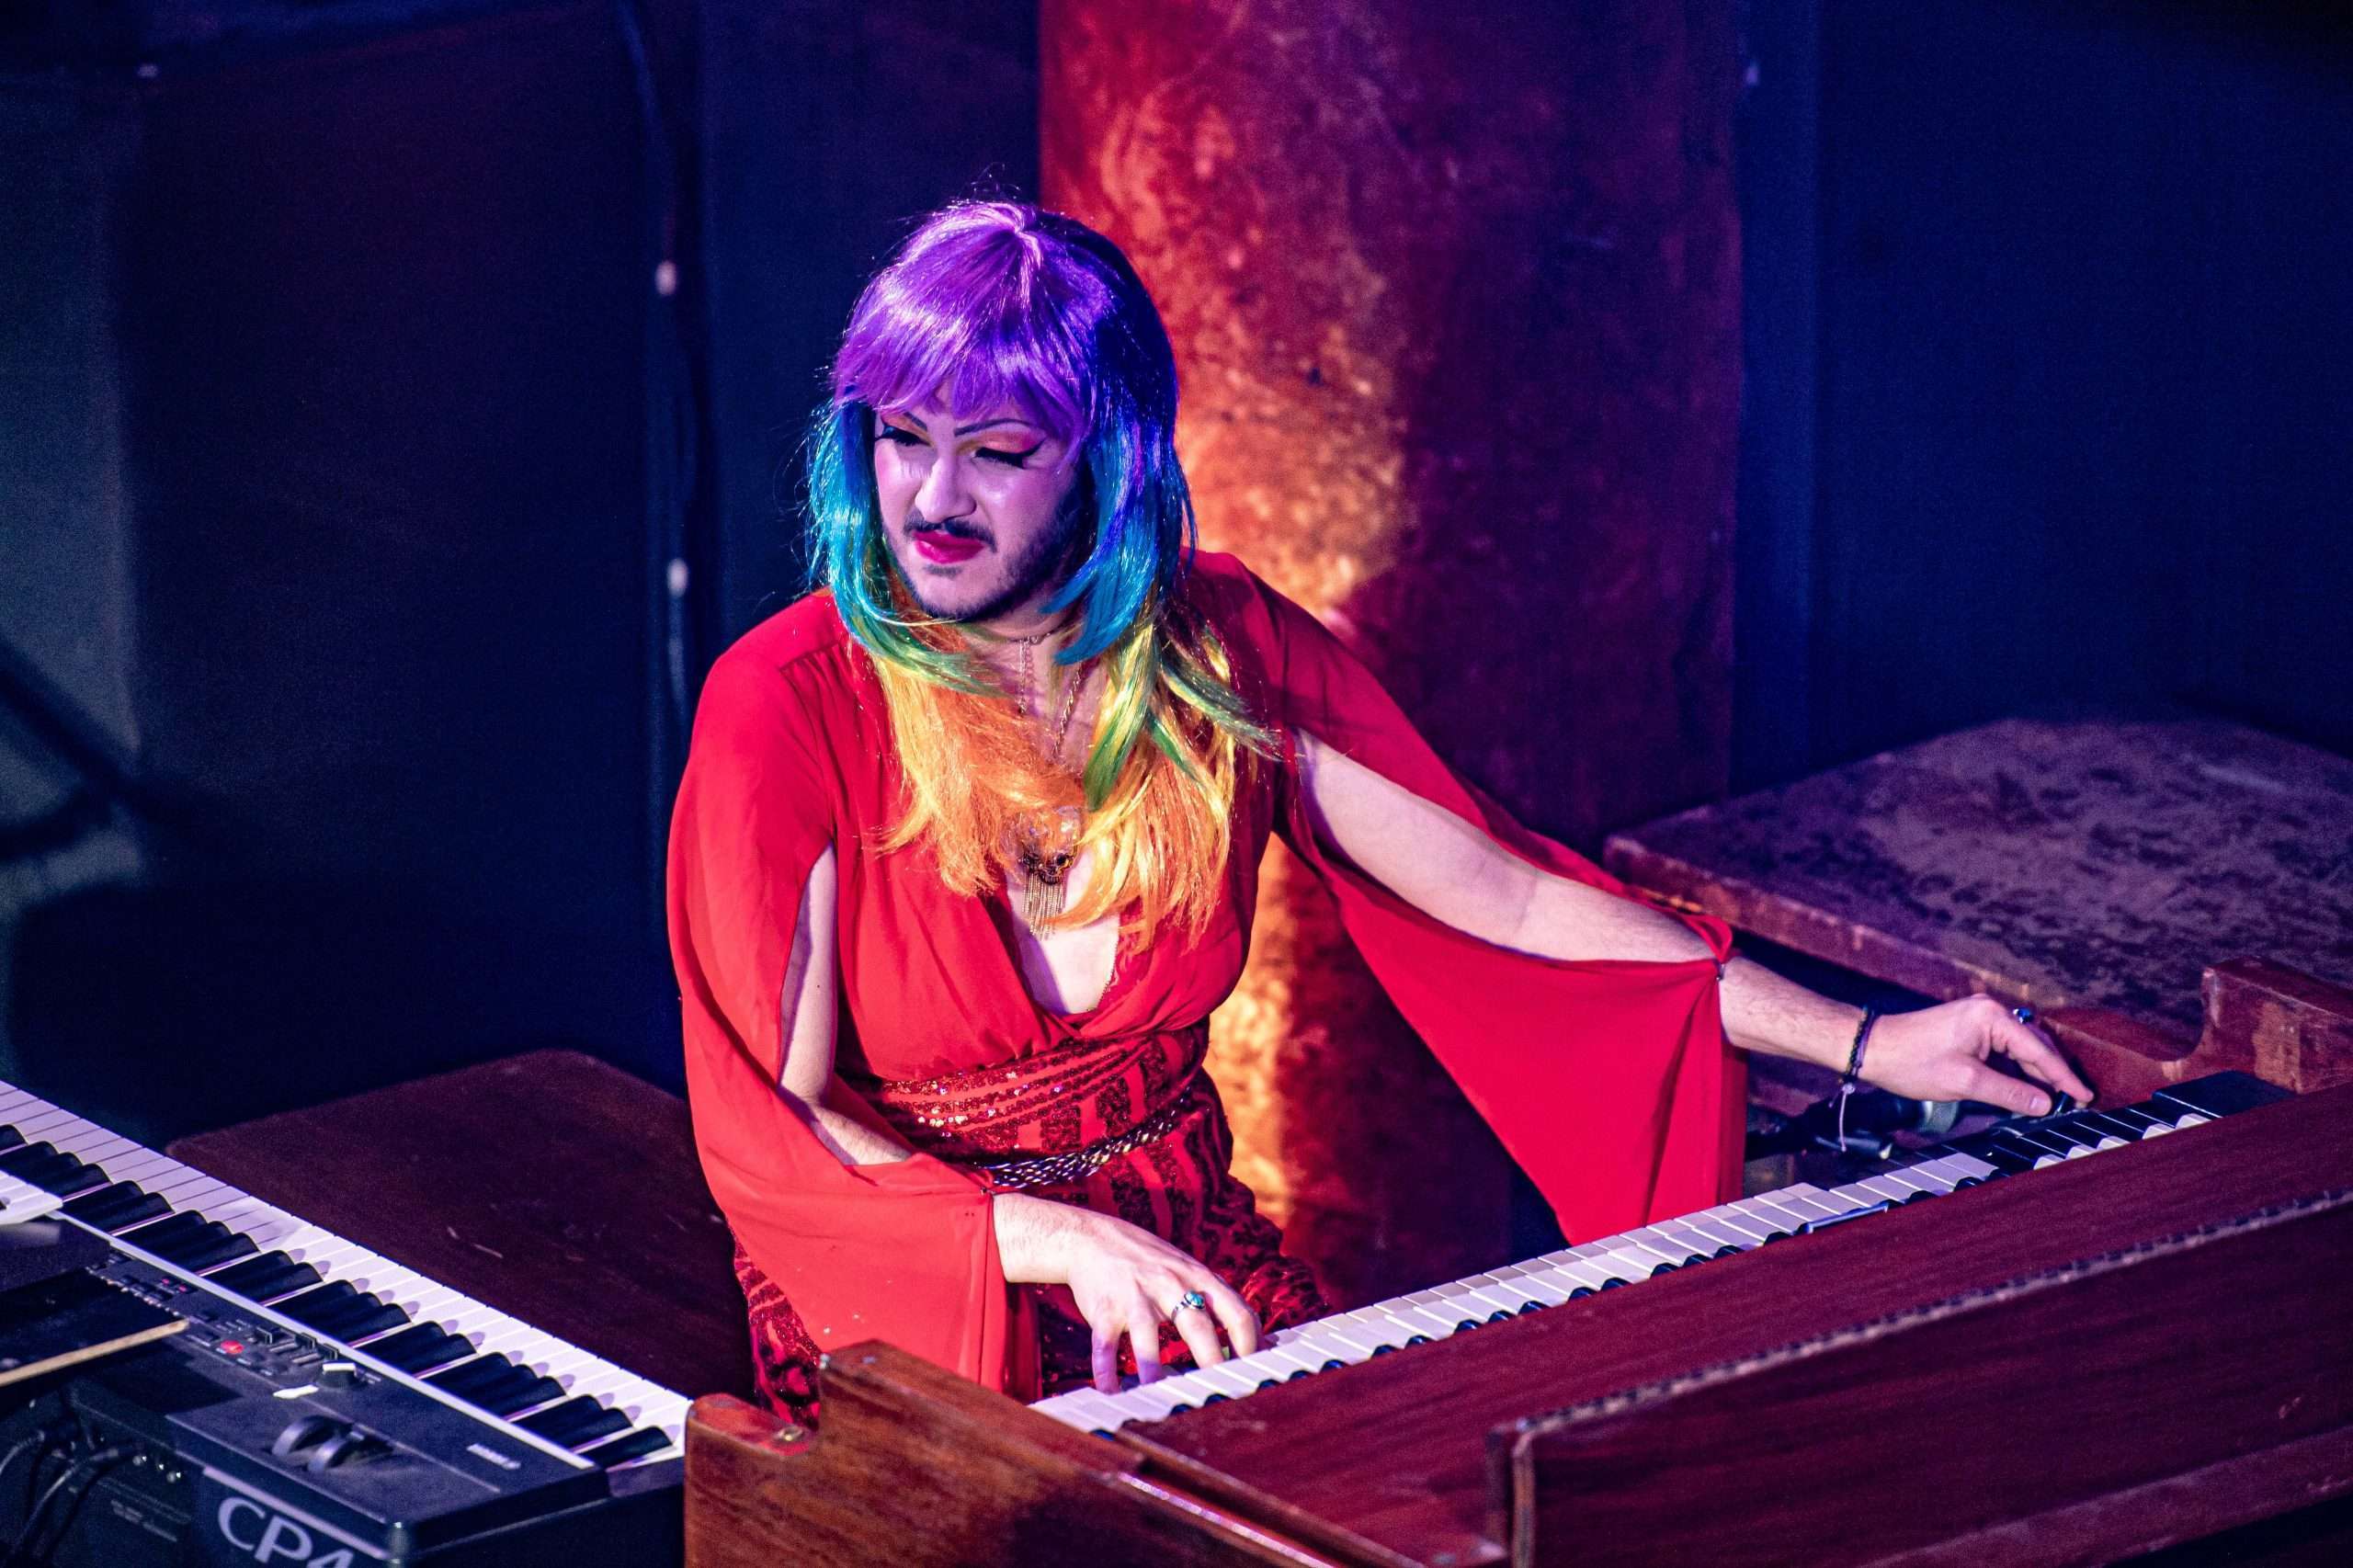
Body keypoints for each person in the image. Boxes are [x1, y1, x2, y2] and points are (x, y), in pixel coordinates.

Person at [665, 200, 2091, 1424]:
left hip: (1194, 1286)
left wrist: (1867, 1041)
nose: (933, 494)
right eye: (902, 438)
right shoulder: (785, 703)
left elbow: (1513, 897)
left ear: (1104, 458)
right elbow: (775, 1121)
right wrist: (1044, 1241)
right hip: (905, 1321)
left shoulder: (1218, 650)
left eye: (996, 449)